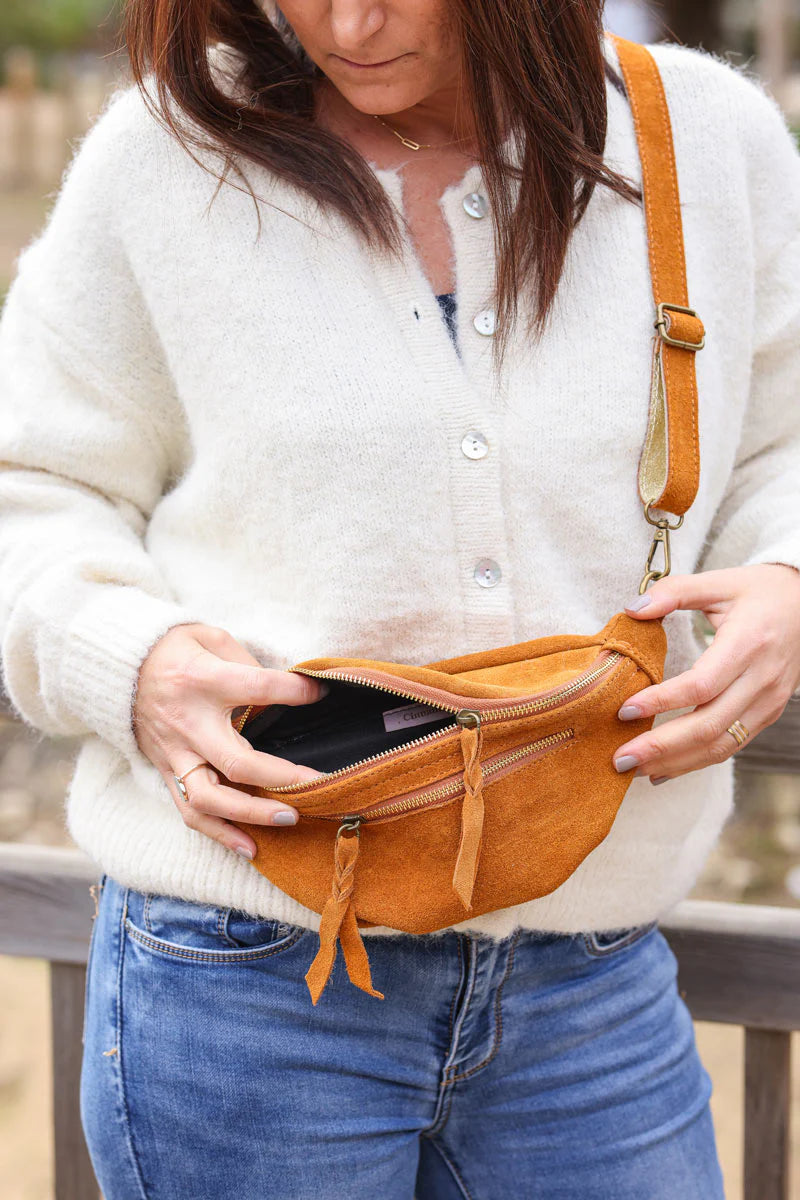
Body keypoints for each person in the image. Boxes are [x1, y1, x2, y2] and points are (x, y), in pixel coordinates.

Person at [1, 1, 799, 1196]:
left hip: (591, 974)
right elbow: (29, 485)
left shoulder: (705, 138)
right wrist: (133, 665)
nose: (349, 22)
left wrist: (786, 576)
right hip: (241, 974)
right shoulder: (160, 158)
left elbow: (776, 449)